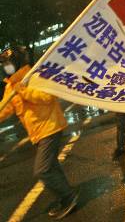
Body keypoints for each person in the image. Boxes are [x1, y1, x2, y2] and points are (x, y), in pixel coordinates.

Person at [0, 47, 79, 220]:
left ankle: (68, 197)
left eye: (9, 63)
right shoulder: (11, 86)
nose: (7, 67)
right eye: (4, 64)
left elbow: (47, 97)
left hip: (50, 128)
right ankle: (65, 195)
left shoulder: (35, 75)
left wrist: (24, 91)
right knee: (51, 167)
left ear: (18, 61)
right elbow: (6, 108)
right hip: (37, 133)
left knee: (42, 170)